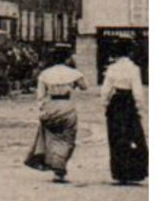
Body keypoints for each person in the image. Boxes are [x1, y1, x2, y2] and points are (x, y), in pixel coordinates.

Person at [25, 53, 87, 182]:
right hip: (67, 106)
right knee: (68, 138)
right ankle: (60, 167)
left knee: (52, 139)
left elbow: (40, 96)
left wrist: (42, 109)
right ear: (67, 58)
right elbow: (84, 86)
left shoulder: (45, 74)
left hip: (51, 106)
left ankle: (55, 166)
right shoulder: (74, 73)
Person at [100, 50, 148, 185]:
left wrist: (104, 104)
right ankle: (135, 171)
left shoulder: (112, 68)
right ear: (130, 53)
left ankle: (119, 172)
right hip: (128, 102)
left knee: (116, 136)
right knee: (134, 136)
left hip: (116, 102)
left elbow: (105, 89)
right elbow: (137, 90)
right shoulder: (134, 68)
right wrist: (140, 107)